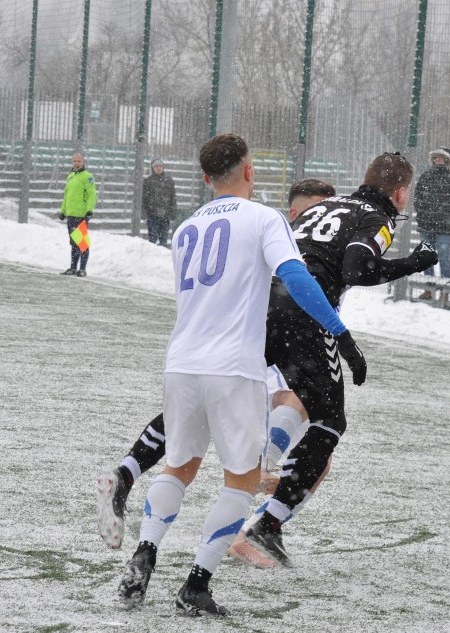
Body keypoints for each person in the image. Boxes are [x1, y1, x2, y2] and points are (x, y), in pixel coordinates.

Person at [115, 135, 367, 617]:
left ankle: (145, 551)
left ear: (207, 178)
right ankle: (196, 584)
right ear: (248, 171)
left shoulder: (185, 228)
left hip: (182, 362)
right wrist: (341, 332)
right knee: (242, 480)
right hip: (233, 368)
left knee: (180, 467)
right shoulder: (264, 218)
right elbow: (295, 278)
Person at [96, 178, 338, 566]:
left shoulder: (193, 224)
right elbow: (291, 283)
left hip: (193, 353)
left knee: (183, 455)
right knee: (285, 430)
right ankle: (219, 562)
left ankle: (131, 489)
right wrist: (340, 332)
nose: (329, 218)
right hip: (251, 349)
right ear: (296, 212)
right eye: (319, 210)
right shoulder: (271, 232)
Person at [243, 152, 438, 566]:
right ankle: (266, 525)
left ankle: (142, 466)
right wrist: (415, 262)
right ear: (401, 193)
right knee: (331, 420)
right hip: (305, 312)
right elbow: (358, 268)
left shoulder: (327, 205)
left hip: (263, 303)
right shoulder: (378, 216)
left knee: (233, 390)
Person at [413, 147, 450, 300]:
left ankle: (445, 291)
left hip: (444, 225)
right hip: (426, 224)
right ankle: (429, 290)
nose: (438, 160)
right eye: (436, 158)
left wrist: (443, 208)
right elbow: (417, 198)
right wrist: (423, 213)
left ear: (447, 160)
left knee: (444, 257)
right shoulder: (425, 176)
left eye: (442, 158)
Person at [58, 152, 97, 277]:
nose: (76, 163)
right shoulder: (70, 177)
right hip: (71, 214)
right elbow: (66, 196)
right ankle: (73, 267)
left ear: (83, 162)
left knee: (82, 243)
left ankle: (82, 269)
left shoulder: (87, 177)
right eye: (74, 161)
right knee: (74, 243)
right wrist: (63, 210)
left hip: (81, 214)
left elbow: (92, 195)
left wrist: (89, 210)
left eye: (79, 161)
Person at [141, 157, 177, 247]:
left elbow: (173, 197)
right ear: (152, 168)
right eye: (156, 166)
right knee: (152, 239)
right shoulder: (147, 181)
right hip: (152, 215)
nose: (158, 168)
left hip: (165, 215)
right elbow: (144, 199)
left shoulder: (169, 181)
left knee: (163, 240)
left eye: (160, 166)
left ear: (163, 167)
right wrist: (144, 213)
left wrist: (173, 211)